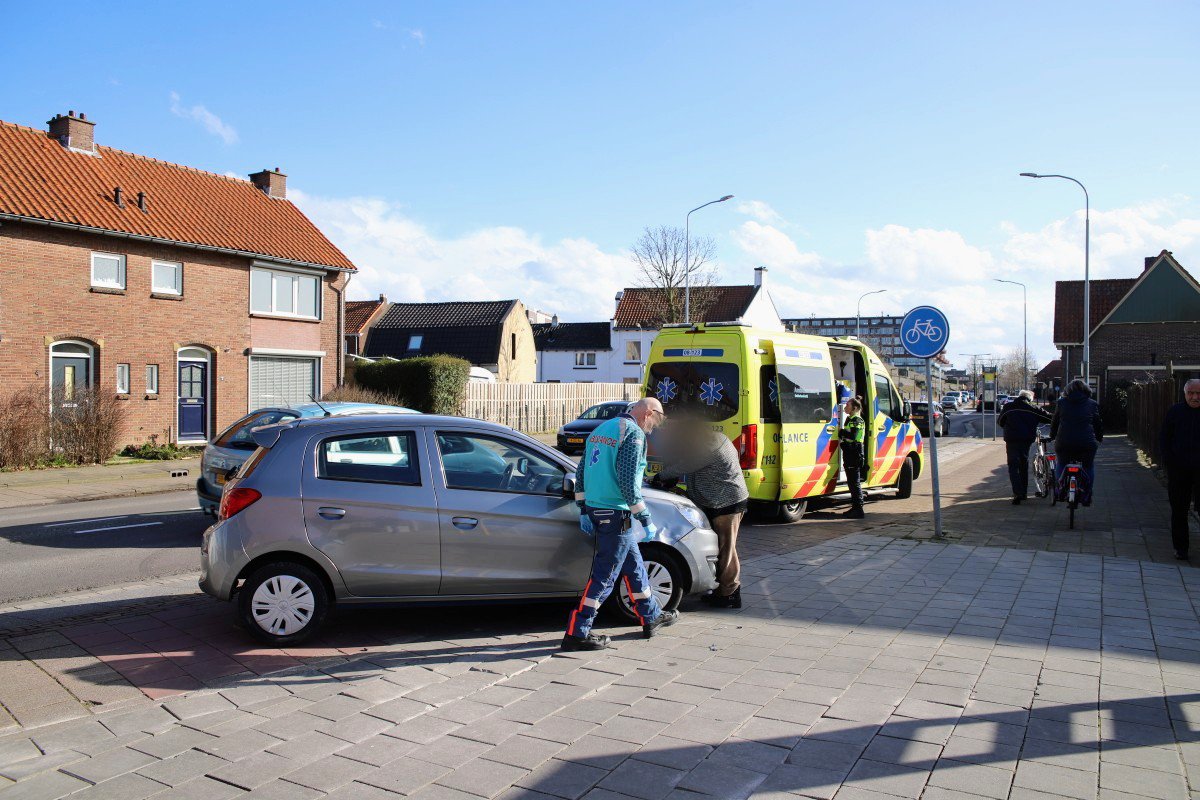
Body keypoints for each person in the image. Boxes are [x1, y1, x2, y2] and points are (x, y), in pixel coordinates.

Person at [562, 397, 678, 651]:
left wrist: (584, 508)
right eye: (656, 420)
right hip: (616, 513)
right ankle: (578, 631)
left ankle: (651, 615)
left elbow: (581, 471)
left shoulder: (602, 428)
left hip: (598, 509)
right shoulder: (634, 434)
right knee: (606, 573)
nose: (654, 427)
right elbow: (628, 481)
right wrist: (644, 517)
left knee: (633, 564)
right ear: (648, 413)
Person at [652, 415, 749, 608]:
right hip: (717, 500)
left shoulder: (710, 444)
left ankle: (729, 592)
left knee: (725, 549)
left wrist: (659, 477)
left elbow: (685, 465)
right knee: (721, 547)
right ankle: (725, 588)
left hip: (726, 502)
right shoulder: (708, 439)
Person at [1159, 378, 1200, 560]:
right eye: (1191, 393)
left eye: (1198, 394)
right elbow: (1164, 438)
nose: (1194, 397)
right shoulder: (1175, 412)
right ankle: (1180, 548)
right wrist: (1170, 462)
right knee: (1179, 510)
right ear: (1185, 394)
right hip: (1179, 469)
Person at [1049, 379, 1104, 503]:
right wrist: (1099, 438)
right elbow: (1097, 424)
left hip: (1064, 443)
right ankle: (1087, 494)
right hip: (1086, 444)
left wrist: (1052, 436)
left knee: (1062, 463)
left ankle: (1059, 489)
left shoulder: (1061, 403)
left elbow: (1055, 422)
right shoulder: (1092, 404)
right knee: (1088, 466)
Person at [998, 389, 1052, 504]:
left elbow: (1000, 421)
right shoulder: (1033, 408)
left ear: (1019, 396)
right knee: (1023, 464)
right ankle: (1024, 493)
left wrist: (1008, 427)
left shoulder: (1008, 407)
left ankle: (1017, 492)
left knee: (1013, 466)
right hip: (1026, 440)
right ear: (1029, 398)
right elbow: (1049, 418)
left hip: (1011, 439)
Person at [839, 397, 868, 519]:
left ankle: (859, 509)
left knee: (854, 482)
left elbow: (854, 435)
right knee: (851, 482)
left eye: (848, 405)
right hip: (849, 451)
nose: (845, 407)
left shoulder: (858, 420)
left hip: (854, 452)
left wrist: (841, 432)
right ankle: (855, 508)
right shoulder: (850, 419)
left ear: (855, 408)